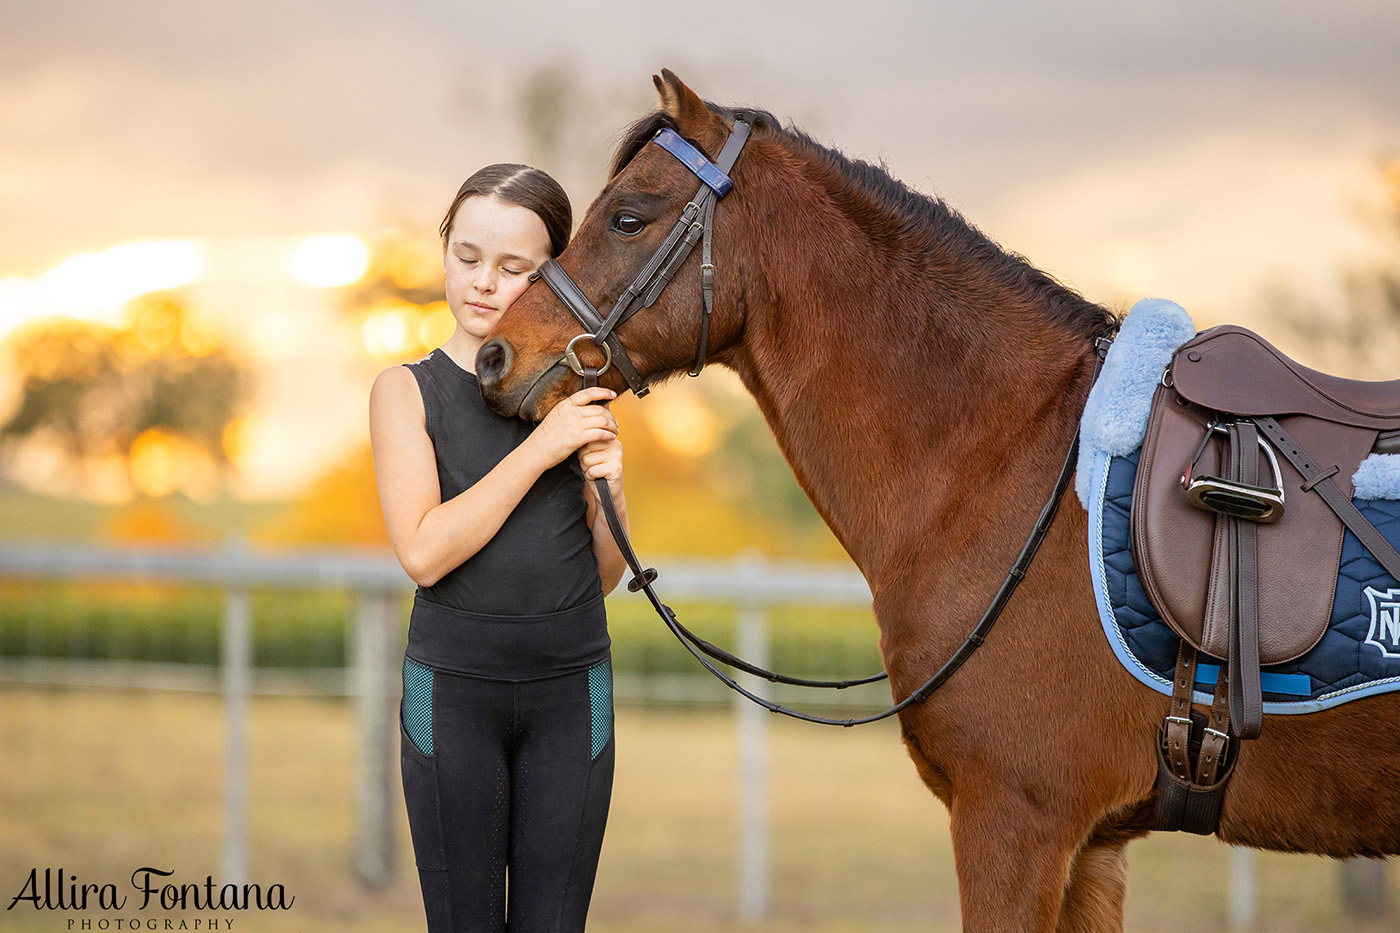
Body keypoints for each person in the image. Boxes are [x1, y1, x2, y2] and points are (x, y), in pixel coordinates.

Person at [369, 163, 629, 932]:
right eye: (468, 257)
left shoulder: (581, 392)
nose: (483, 283)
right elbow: (422, 551)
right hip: (451, 698)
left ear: (554, 273)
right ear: (445, 251)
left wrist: (613, 486)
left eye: (515, 269)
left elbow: (606, 575)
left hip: (571, 696)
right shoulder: (406, 391)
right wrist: (544, 447)